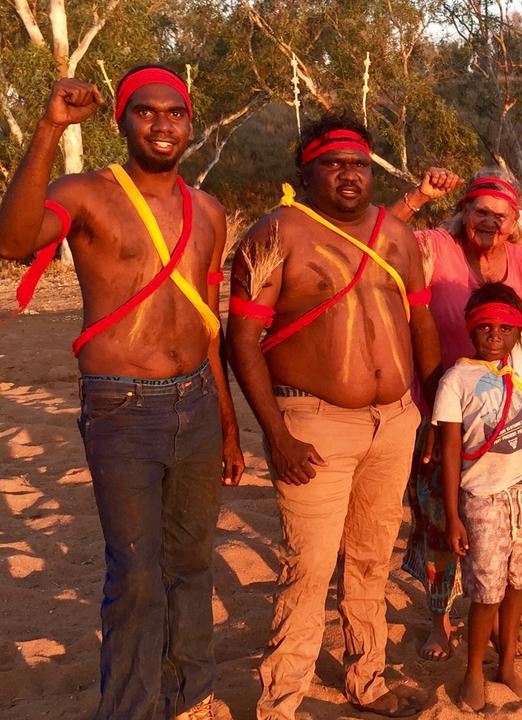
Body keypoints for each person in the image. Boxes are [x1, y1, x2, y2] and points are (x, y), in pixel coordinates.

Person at [0, 68, 243, 719]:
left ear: (191, 124)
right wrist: (50, 127)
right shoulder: (86, 195)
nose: (163, 125)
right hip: (122, 406)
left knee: (190, 566)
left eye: (175, 113)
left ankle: (193, 700)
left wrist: (226, 421)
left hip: (195, 402)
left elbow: (208, 326)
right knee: (135, 577)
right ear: (123, 121)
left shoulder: (209, 211)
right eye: (147, 112)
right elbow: (13, 243)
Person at [227, 113, 438, 719]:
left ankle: (366, 679)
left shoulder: (397, 236)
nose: (350, 175)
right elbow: (241, 338)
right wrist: (277, 434)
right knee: (309, 567)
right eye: (334, 164)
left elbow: (420, 324)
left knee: (372, 558)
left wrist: (429, 413)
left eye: (360, 165)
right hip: (312, 425)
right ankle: (280, 703)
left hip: (394, 420)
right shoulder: (275, 235)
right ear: (306, 170)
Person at [392, 167, 522, 662]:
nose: (490, 223)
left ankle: (497, 621)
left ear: (514, 223)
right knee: (440, 519)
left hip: (501, 419)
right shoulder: (434, 245)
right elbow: (380, 241)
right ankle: (439, 621)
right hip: (438, 408)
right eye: (480, 212)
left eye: (500, 216)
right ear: (464, 212)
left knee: (499, 526)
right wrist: (418, 197)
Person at [438, 204, 522, 711]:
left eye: (504, 327)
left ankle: (507, 664)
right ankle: (474, 670)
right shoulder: (457, 379)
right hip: (484, 497)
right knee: (485, 590)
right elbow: (450, 450)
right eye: (485, 327)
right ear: (471, 330)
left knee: (518, 584)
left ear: (517, 332)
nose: (495, 335)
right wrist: (452, 515)